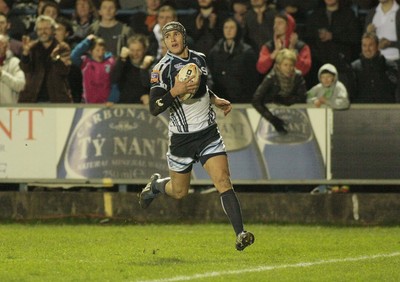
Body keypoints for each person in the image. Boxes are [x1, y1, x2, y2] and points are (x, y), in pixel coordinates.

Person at [139, 21, 255, 251]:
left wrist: (215, 99)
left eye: (176, 35)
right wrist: (175, 91)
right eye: (167, 37)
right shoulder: (160, 69)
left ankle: (240, 233)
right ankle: (156, 187)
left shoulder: (200, 58)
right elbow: (154, 107)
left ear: (184, 36)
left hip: (208, 133)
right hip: (182, 139)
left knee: (223, 180)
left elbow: (200, 87)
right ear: (164, 42)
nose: (172, 40)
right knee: (180, 191)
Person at [304, 0, 360, 89]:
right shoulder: (315, 16)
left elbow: (355, 37)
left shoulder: (348, 14)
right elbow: (309, 40)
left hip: (342, 67)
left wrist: (333, 36)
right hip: (319, 66)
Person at [252, 48, 307, 134]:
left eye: (291, 65)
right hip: (271, 116)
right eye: (285, 65)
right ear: (278, 65)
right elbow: (256, 100)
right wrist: (272, 119)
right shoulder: (271, 78)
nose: (289, 68)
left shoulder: (297, 76)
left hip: (293, 117)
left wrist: (286, 101)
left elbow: (302, 97)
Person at [18, 15, 72, 103]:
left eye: (46, 28)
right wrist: (25, 53)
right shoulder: (32, 47)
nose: (43, 32)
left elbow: (64, 70)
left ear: (53, 30)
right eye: (40, 29)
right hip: (33, 99)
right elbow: (25, 69)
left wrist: (55, 57)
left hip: (56, 99)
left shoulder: (62, 48)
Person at [208, 17, 259, 103]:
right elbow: (212, 77)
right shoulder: (214, 52)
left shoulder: (247, 52)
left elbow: (252, 80)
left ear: (237, 30)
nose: (228, 30)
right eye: (226, 27)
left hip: (241, 100)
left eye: (232, 27)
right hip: (221, 99)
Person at [256, 12, 311, 76]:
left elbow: (304, 70)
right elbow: (261, 69)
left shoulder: (301, 47)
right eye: (275, 23)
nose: (275, 26)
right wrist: (275, 52)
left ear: (289, 26)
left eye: (280, 23)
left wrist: (292, 51)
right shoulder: (269, 46)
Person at [350, 32, 398, 103]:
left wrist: (379, 66)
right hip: (361, 110)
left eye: (370, 45)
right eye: (364, 46)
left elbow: (392, 87)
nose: (367, 49)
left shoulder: (389, 65)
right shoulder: (354, 67)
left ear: (377, 46)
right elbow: (351, 92)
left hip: (385, 109)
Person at [70, 34, 119, 103]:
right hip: (88, 103)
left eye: (103, 50)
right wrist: (87, 41)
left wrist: (112, 99)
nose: (100, 53)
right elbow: (73, 56)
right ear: (90, 51)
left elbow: (115, 82)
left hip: (106, 104)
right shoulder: (85, 62)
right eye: (97, 50)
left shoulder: (111, 62)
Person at [111, 34, 151, 104]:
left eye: (138, 50)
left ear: (144, 50)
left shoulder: (152, 64)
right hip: (125, 106)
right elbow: (114, 79)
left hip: (144, 108)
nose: (135, 53)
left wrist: (144, 69)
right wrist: (121, 60)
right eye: (132, 50)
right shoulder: (123, 62)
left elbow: (153, 85)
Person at [0, 34, 25, 104]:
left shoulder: (14, 62)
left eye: (0, 44)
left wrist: (2, 74)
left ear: (7, 47)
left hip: (9, 110)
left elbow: (21, 85)